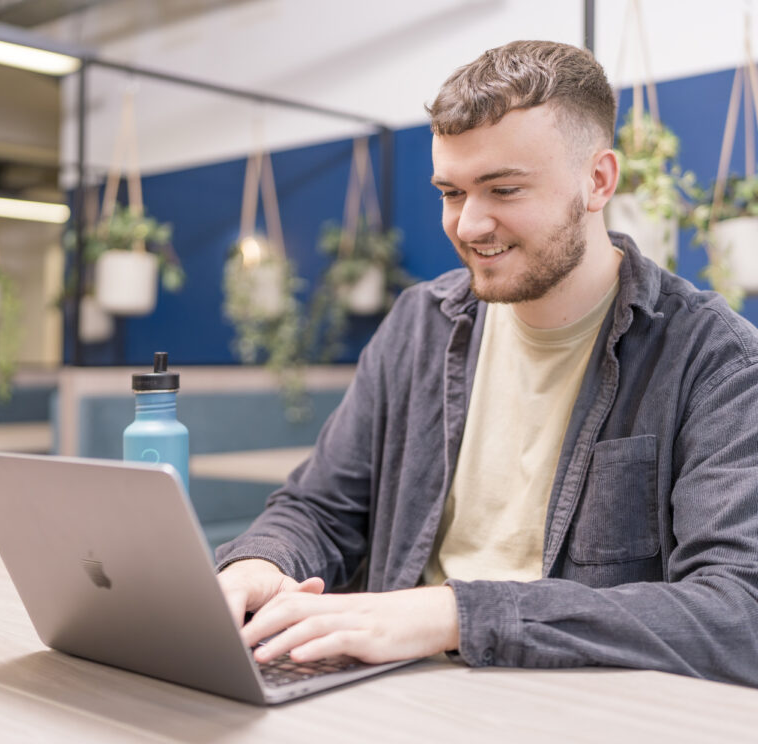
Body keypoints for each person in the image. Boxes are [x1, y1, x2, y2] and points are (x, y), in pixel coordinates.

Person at [216, 40, 758, 685]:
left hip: (577, 713)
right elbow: (322, 507)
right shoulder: (420, 323)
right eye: (451, 192)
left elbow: (738, 614)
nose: (470, 224)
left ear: (598, 181)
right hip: (390, 694)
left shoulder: (716, 360)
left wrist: (456, 613)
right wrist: (260, 564)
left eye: (503, 189)